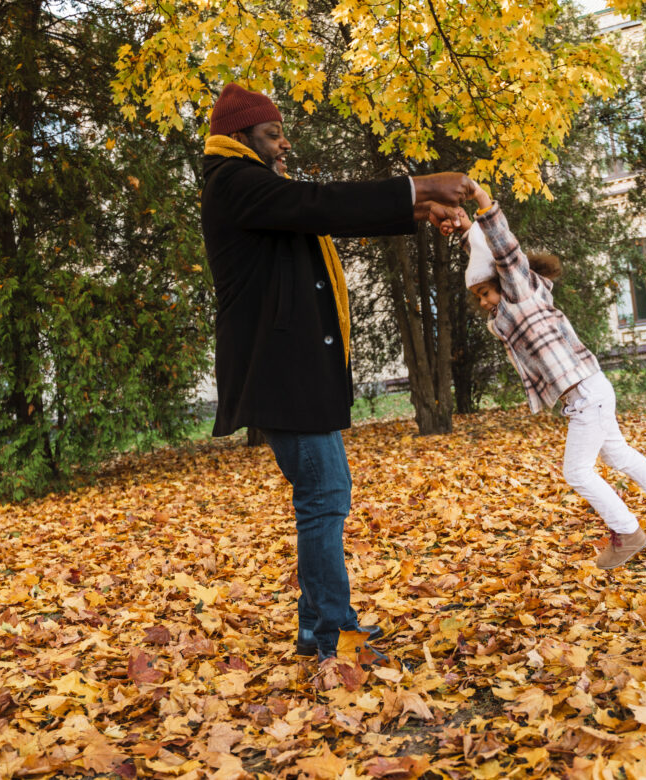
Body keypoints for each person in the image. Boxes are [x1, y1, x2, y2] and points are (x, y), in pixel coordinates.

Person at [201, 83, 472, 660]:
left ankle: (317, 629)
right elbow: (316, 205)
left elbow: (318, 215)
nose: (283, 144)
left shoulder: (257, 192)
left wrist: (420, 209)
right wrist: (417, 186)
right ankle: (330, 634)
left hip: (291, 377)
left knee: (323, 495)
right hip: (281, 378)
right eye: (273, 134)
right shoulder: (232, 182)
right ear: (241, 136)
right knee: (324, 496)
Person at [459, 182, 646, 569]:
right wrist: (468, 231)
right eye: (479, 297)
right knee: (616, 453)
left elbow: (503, 250)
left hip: (585, 392)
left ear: (504, 281)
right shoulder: (509, 312)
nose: (484, 302)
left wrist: (482, 202)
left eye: (486, 292)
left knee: (578, 471)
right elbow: (485, 257)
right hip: (589, 388)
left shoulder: (520, 291)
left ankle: (628, 532)